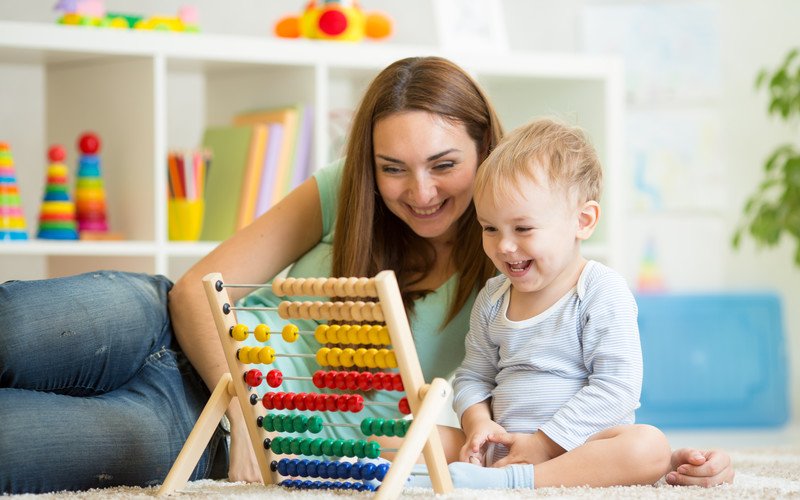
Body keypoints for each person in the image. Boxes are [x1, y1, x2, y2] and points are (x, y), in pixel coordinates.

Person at [0, 57, 733, 494]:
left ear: (488, 149)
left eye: (445, 166)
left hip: (194, 434)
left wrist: (687, 457)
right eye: (392, 169)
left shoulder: (516, 266)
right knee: (17, 327)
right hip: (170, 331)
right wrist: (242, 412)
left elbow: (589, 377)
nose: (419, 192)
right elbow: (200, 290)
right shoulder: (336, 192)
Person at [407, 117, 670, 490]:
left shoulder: (600, 290)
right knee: (398, 440)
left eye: (523, 228)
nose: (504, 246)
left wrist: (543, 445)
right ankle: (487, 474)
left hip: (576, 451)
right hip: (501, 446)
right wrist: (478, 423)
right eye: (490, 228)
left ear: (583, 220)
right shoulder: (493, 298)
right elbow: (472, 376)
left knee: (650, 448)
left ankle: (519, 481)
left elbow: (617, 388)